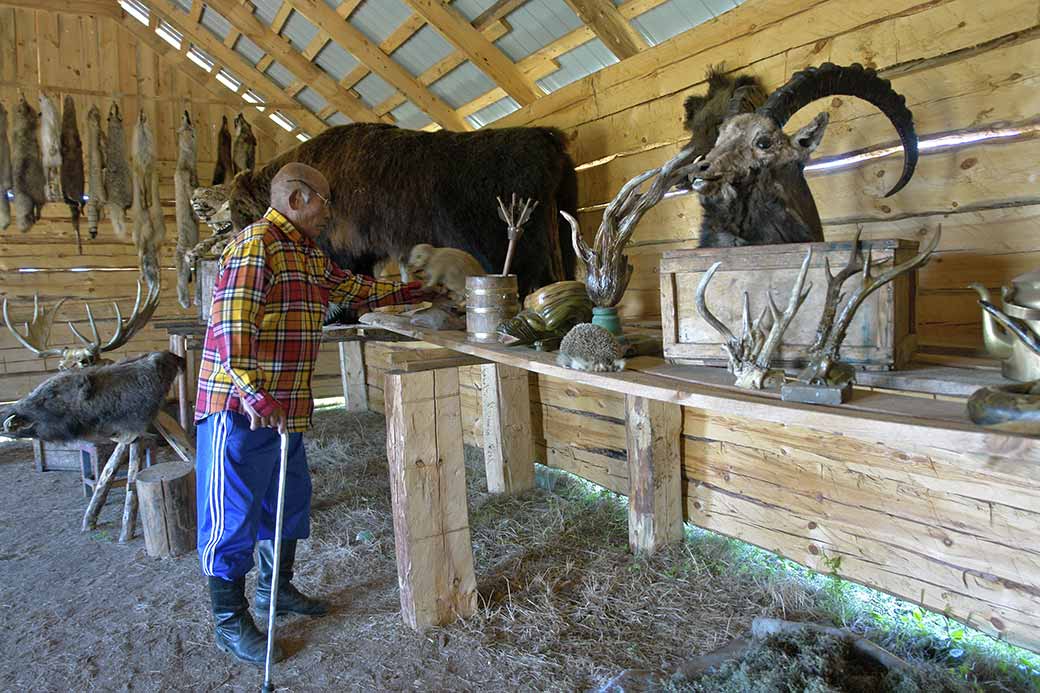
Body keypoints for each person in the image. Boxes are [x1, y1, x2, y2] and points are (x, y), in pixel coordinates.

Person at [193, 162, 430, 665]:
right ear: (298, 198)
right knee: (231, 517)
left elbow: (352, 290)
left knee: (286, 503)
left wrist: (413, 291)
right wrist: (257, 396)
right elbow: (230, 330)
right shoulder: (256, 244)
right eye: (326, 201)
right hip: (241, 409)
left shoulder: (303, 253)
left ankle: (275, 592)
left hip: (283, 411)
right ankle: (229, 623)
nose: (330, 212)